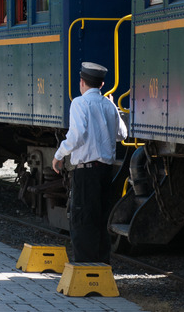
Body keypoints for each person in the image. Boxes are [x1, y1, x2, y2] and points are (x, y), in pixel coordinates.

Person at [52, 62, 127, 264]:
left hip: (86, 171)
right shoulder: (109, 105)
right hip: (105, 171)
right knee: (102, 219)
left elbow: (77, 136)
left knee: (83, 219)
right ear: (102, 84)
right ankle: (102, 266)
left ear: (82, 82)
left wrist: (59, 155)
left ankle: (84, 268)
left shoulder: (79, 103)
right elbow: (122, 135)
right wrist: (114, 111)